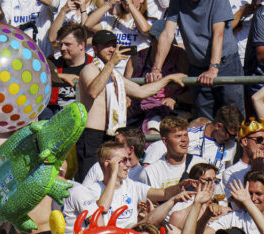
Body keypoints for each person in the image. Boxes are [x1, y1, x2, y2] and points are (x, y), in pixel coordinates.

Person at [76, 30, 186, 177]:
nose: (111, 50)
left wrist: (167, 79)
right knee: (88, 178)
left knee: (108, 178)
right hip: (91, 135)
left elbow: (141, 92)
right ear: (95, 49)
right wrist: (111, 64)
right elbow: (93, 91)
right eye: (106, 46)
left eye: (113, 46)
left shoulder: (114, 75)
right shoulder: (89, 69)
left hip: (110, 134)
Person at [150, 0, 243, 116]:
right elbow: (167, 34)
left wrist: (213, 68)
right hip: (197, 65)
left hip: (226, 63)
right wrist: (156, 69)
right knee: (203, 119)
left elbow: (218, 34)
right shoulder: (176, 2)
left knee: (233, 115)